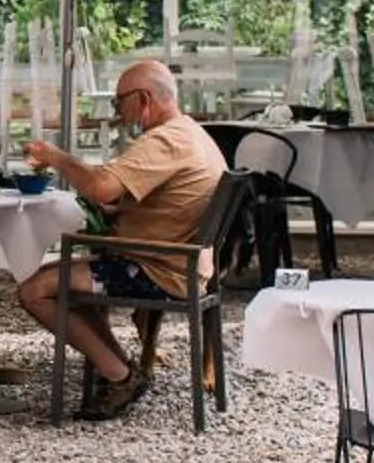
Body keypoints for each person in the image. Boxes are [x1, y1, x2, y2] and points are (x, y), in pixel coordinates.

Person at [14, 60, 226, 420]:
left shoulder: (165, 140)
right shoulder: (192, 133)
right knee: (72, 280)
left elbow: (101, 187)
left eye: (119, 102)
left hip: (157, 269)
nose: (118, 112)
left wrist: (56, 158)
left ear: (143, 99)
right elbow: (134, 196)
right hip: (184, 264)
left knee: (35, 290)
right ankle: (122, 369)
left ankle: (120, 374)